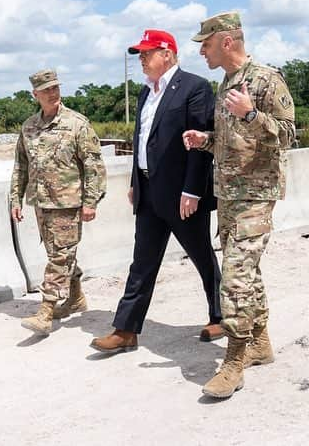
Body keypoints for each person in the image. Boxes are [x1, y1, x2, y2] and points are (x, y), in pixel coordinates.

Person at [184, 11, 296, 398]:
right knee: (248, 273)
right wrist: (206, 138)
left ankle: (234, 360)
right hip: (228, 196)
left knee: (234, 276)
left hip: (256, 195)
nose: (201, 51)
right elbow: (233, 139)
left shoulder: (267, 80)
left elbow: (287, 134)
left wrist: (249, 113)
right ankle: (261, 343)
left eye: (206, 44)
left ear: (226, 41)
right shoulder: (226, 84)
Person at [90, 29, 223, 354]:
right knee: (142, 262)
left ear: (168, 53)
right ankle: (126, 330)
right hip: (149, 192)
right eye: (140, 54)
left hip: (182, 195)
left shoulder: (194, 87)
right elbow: (141, 141)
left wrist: (192, 190)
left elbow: (201, 142)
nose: (142, 59)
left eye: (147, 53)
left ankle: (221, 315)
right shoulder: (144, 94)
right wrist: (136, 183)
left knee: (202, 256)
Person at [10, 69, 107, 336]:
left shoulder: (77, 123)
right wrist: (14, 200)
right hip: (41, 203)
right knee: (59, 255)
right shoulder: (29, 127)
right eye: (47, 90)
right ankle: (75, 298)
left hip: (68, 203)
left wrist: (91, 202)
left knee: (59, 256)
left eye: (56, 88)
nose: (53, 93)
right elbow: (21, 166)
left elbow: (94, 165)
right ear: (36, 94)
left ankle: (46, 310)